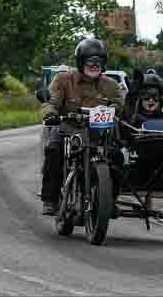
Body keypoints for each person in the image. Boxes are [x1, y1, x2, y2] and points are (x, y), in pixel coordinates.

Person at [40, 38, 125, 215]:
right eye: (89, 61)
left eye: (98, 61)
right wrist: (50, 113)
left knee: (116, 157)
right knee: (53, 150)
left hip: (98, 134)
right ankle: (50, 199)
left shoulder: (111, 85)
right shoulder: (63, 79)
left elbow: (120, 106)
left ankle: (110, 199)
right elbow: (52, 100)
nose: (94, 65)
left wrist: (114, 110)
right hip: (68, 130)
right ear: (80, 61)